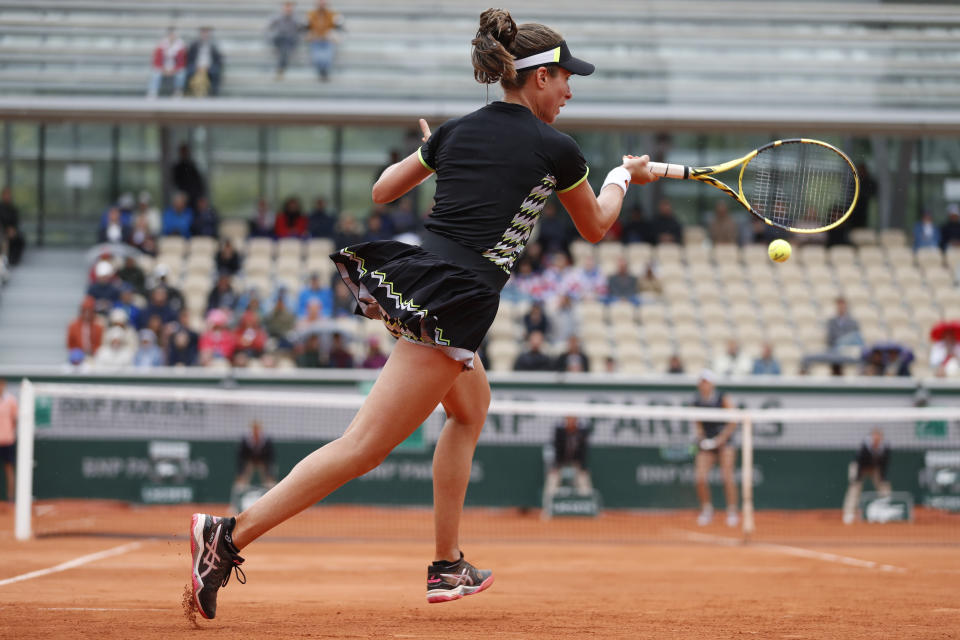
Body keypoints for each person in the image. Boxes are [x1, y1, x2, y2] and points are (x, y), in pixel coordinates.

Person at [188, 8, 657, 619]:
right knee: (363, 447)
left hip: (427, 280)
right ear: (538, 77)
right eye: (567, 77)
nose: (570, 90)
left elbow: (384, 190)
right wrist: (623, 174)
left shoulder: (456, 131)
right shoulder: (556, 148)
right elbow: (595, 225)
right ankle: (227, 537)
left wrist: (433, 148)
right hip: (456, 297)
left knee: (470, 409)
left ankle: (447, 565)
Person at [692, 369, 739, 527]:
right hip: (708, 444)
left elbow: (733, 421)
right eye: (701, 381)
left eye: (706, 381)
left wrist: (721, 439)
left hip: (725, 442)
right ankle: (707, 510)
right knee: (700, 478)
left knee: (727, 477)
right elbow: (698, 425)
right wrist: (703, 439)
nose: (703, 385)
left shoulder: (722, 398)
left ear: (712, 384)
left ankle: (732, 512)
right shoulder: (697, 402)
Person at [841, 428, 891, 524]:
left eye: (878, 437)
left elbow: (885, 464)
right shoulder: (865, 446)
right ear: (872, 437)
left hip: (876, 468)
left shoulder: (885, 446)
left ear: (881, 438)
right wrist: (857, 478)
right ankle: (849, 514)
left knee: (884, 487)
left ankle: (885, 512)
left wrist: (883, 478)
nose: (876, 439)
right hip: (860, 467)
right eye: (874, 437)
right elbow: (859, 462)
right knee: (854, 488)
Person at [542, 415, 593, 507]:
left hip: (576, 460)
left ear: (576, 420)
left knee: (583, 477)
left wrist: (583, 467)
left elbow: (583, 451)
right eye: (568, 419)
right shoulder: (559, 431)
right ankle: (548, 506)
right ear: (565, 420)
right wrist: (555, 466)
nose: (571, 421)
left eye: (573, 419)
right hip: (561, 460)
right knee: (552, 477)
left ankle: (587, 505)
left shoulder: (582, 432)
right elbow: (557, 449)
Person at [233, 421, 277, 493]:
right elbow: (241, 458)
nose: (256, 431)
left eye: (257, 429)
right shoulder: (245, 440)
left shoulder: (267, 440)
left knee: (270, 481)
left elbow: (270, 458)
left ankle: (273, 493)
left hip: (263, 461)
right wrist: (240, 473)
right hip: (249, 461)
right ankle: (239, 496)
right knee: (242, 480)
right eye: (254, 429)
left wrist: (270, 473)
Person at [305, 0, 343, 81]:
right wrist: (310, 35)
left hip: (328, 40)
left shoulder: (333, 14)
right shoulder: (310, 14)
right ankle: (321, 72)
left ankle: (324, 72)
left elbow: (339, 27)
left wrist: (333, 35)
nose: (321, 4)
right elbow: (305, 28)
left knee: (327, 57)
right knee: (317, 58)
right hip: (315, 40)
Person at [147, 27, 186, 98]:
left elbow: (181, 62)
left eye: (173, 35)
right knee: (155, 73)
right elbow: (157, 61)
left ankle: (178, 91)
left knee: (181, 73)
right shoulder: (161, 46)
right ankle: (153, 91)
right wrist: (163, 69)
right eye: (170, 35)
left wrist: (174, 70)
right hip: (163, 68)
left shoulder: (180, 46)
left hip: (174, 69)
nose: (172, 37)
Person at [267, 2, 303, 80]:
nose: (288, 9)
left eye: (290, 7)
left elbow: (301, 29)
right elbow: (269, 27)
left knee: (285, 49)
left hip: (290, 39)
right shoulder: (277, 17)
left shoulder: (296, 18)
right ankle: (280, 69)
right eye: (286, 7)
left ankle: (280, 70)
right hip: (279, 38)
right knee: (282, 46)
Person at [186, 27, 224, 97]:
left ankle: (213, 93)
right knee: (188, 72)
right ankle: (189, 92)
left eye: (207, 33)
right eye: (203, 33)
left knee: (215, 72)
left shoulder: (213, 45)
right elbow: (189, 58)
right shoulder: (194, 45)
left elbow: (218, 59)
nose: (205, 35)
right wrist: (197, 66)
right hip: (196, 66)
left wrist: (208, 66)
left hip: (209, 66)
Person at [172, 144, 206, 212]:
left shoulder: (192, 165)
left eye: (186, 151)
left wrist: (200, 195)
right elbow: (176, 182)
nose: (185, 153)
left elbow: (199, 181)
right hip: (184, 195)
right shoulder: (178, 167)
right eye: (183, 151)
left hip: (194, 195)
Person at [0, 378, 17, 502]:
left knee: (9, 469)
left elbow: (14, 420)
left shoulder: (11, 400)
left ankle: (11, 499)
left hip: (8, 440)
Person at [0, 187, 25, 266]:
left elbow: (16, 221)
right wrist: (6, 229)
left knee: (20, 239)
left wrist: (13, 230)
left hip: (12, 231)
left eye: (9, 195)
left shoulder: (13, 208)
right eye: (6, 195)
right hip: (2, 231)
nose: (8, 196)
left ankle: (12, 260)